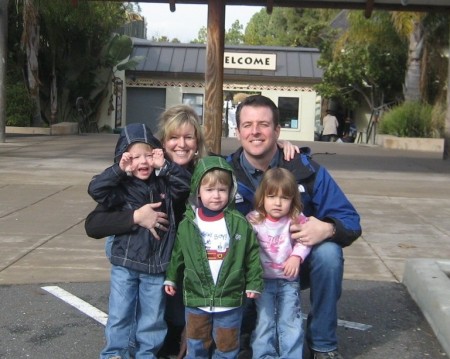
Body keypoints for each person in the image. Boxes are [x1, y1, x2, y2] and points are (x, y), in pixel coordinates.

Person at [84, 105, 298, 358]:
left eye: (188, 137)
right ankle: (130, 345)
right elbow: (94, 223)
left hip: (197, 266)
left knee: (164, 322)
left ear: (197, 142)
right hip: (153, 258)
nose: (181, 144)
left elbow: (241, 161)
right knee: (140, 316)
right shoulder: (144, 177)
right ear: (161, 143)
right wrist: (136, 216)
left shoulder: (209, 169)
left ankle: (206, 331)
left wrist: (278, 145)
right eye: (173, 137)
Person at [226, 95, 362, 359]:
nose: (255, 131)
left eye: (264, 124)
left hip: (293, 265)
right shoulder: (222, 173)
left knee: (329, 255)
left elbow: (350, 220)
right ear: (237, 131)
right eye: (247, 125)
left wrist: (328, 229)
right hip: (246, 270)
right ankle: (238, 337)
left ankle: (323, 345)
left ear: (277, 131)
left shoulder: (305, 170)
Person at [87, 123, 191, 359]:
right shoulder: (121, 186)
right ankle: (115, 353)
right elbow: (96, 190)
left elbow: (185, 186)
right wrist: (118, 170)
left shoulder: (163, 182)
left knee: (152, 318)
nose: (142, 162)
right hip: (125, 263)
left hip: (155, 266)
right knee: (120, 314)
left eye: (148, 154)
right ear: (124, 159)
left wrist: (164, 166)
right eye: (134, 157)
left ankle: (147, 354)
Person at [164, 156, 264, 359]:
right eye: (209, 190)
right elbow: (178, 254)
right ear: (197, 191)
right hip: (196, 297)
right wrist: (171, 277)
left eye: (222, 190)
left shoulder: (239, 223)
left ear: (231, 191)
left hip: (229, 298)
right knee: (196, 344)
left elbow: (252, 254)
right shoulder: (189, 224)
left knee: (227, 347)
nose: (216, 196)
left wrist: (254, 282)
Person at [246, 167, 311, 359]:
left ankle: (291, 355)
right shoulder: (253, 220)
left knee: (290, 321)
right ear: (262, 197)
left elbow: (305, 240)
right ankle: (263, 355)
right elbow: (245, 247)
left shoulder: (295, 219)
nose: (277, 202)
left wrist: (296, 257)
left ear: (292, 200)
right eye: (272, 196)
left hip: (288, 280)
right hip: (261, 281)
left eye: (284, 197)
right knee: (265, 321)